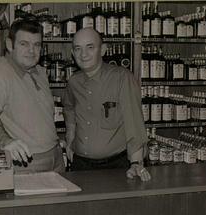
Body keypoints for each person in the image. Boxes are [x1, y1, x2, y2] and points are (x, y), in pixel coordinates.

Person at [63, 28, 151, 181]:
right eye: (78, 49)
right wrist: (70, 139)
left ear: (103, 50)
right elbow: (69, 109)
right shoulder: (73, 81)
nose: (83, 54)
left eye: (90, 47)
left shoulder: (122, 78)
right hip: (80, 165)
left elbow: (134, 123)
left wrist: (136, 162)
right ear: (72, 53)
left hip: (116, 166)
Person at [0, 19, 64, 174]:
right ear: (10, 45)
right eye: (24, 44)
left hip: (56, 156)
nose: (31, 50)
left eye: (37, 45)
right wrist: (5, 142)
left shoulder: (39, 71)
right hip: (27, 162)